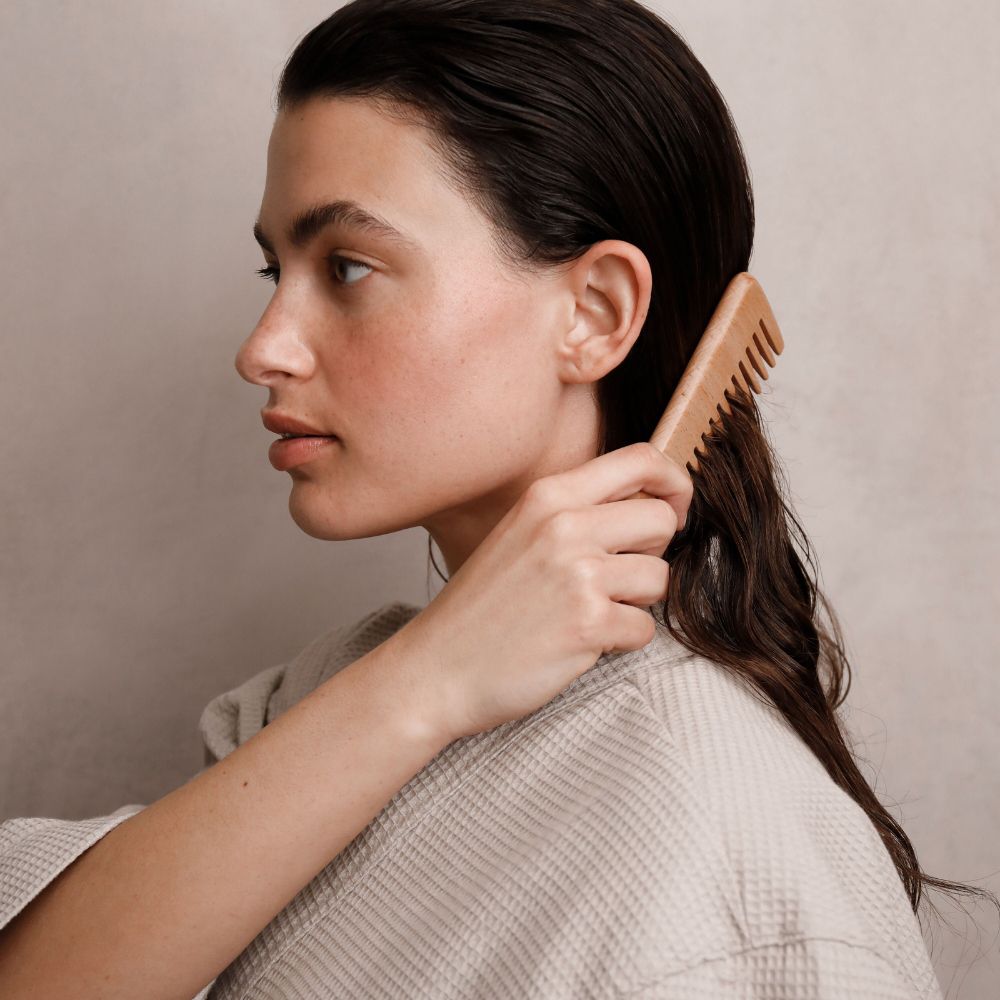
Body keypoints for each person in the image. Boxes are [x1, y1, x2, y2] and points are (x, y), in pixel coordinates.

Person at [0, 1, 989, 997]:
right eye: (276, 268)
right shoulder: (341, 697)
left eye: (346, 265)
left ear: (594, 314)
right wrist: (423, 683)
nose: (263, 346)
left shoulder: (730, 855)